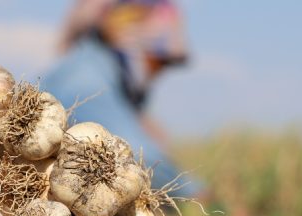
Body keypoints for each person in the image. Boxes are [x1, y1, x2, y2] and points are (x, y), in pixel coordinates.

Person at [41, 0, 203, 197]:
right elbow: (142, 159)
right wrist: (199, 195)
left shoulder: (93, 70)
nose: (159, 73)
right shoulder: (87, 81)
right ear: (132, 44)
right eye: (158, 61)